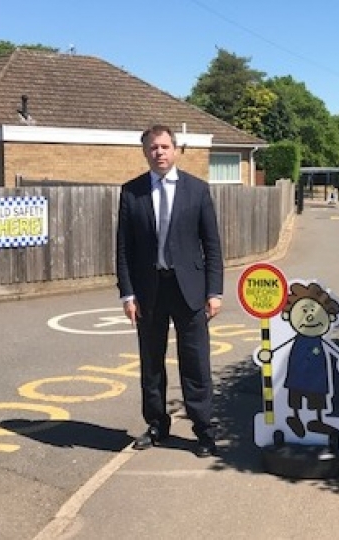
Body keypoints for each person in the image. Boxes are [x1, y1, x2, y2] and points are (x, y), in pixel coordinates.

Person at [116, 124, 223, 458]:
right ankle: (156, 425)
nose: (158, 153)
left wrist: (214, 290)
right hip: (149, 292)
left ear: (175, 150)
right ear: (145, 152)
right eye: (152, 148)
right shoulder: (131, 192)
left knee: (195, 363)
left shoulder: (197, 190)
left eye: (164, 147)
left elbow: (212, 245)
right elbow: (123, 250)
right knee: (151, 363)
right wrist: (127, 294)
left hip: (189, 291)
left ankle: (203, 430)